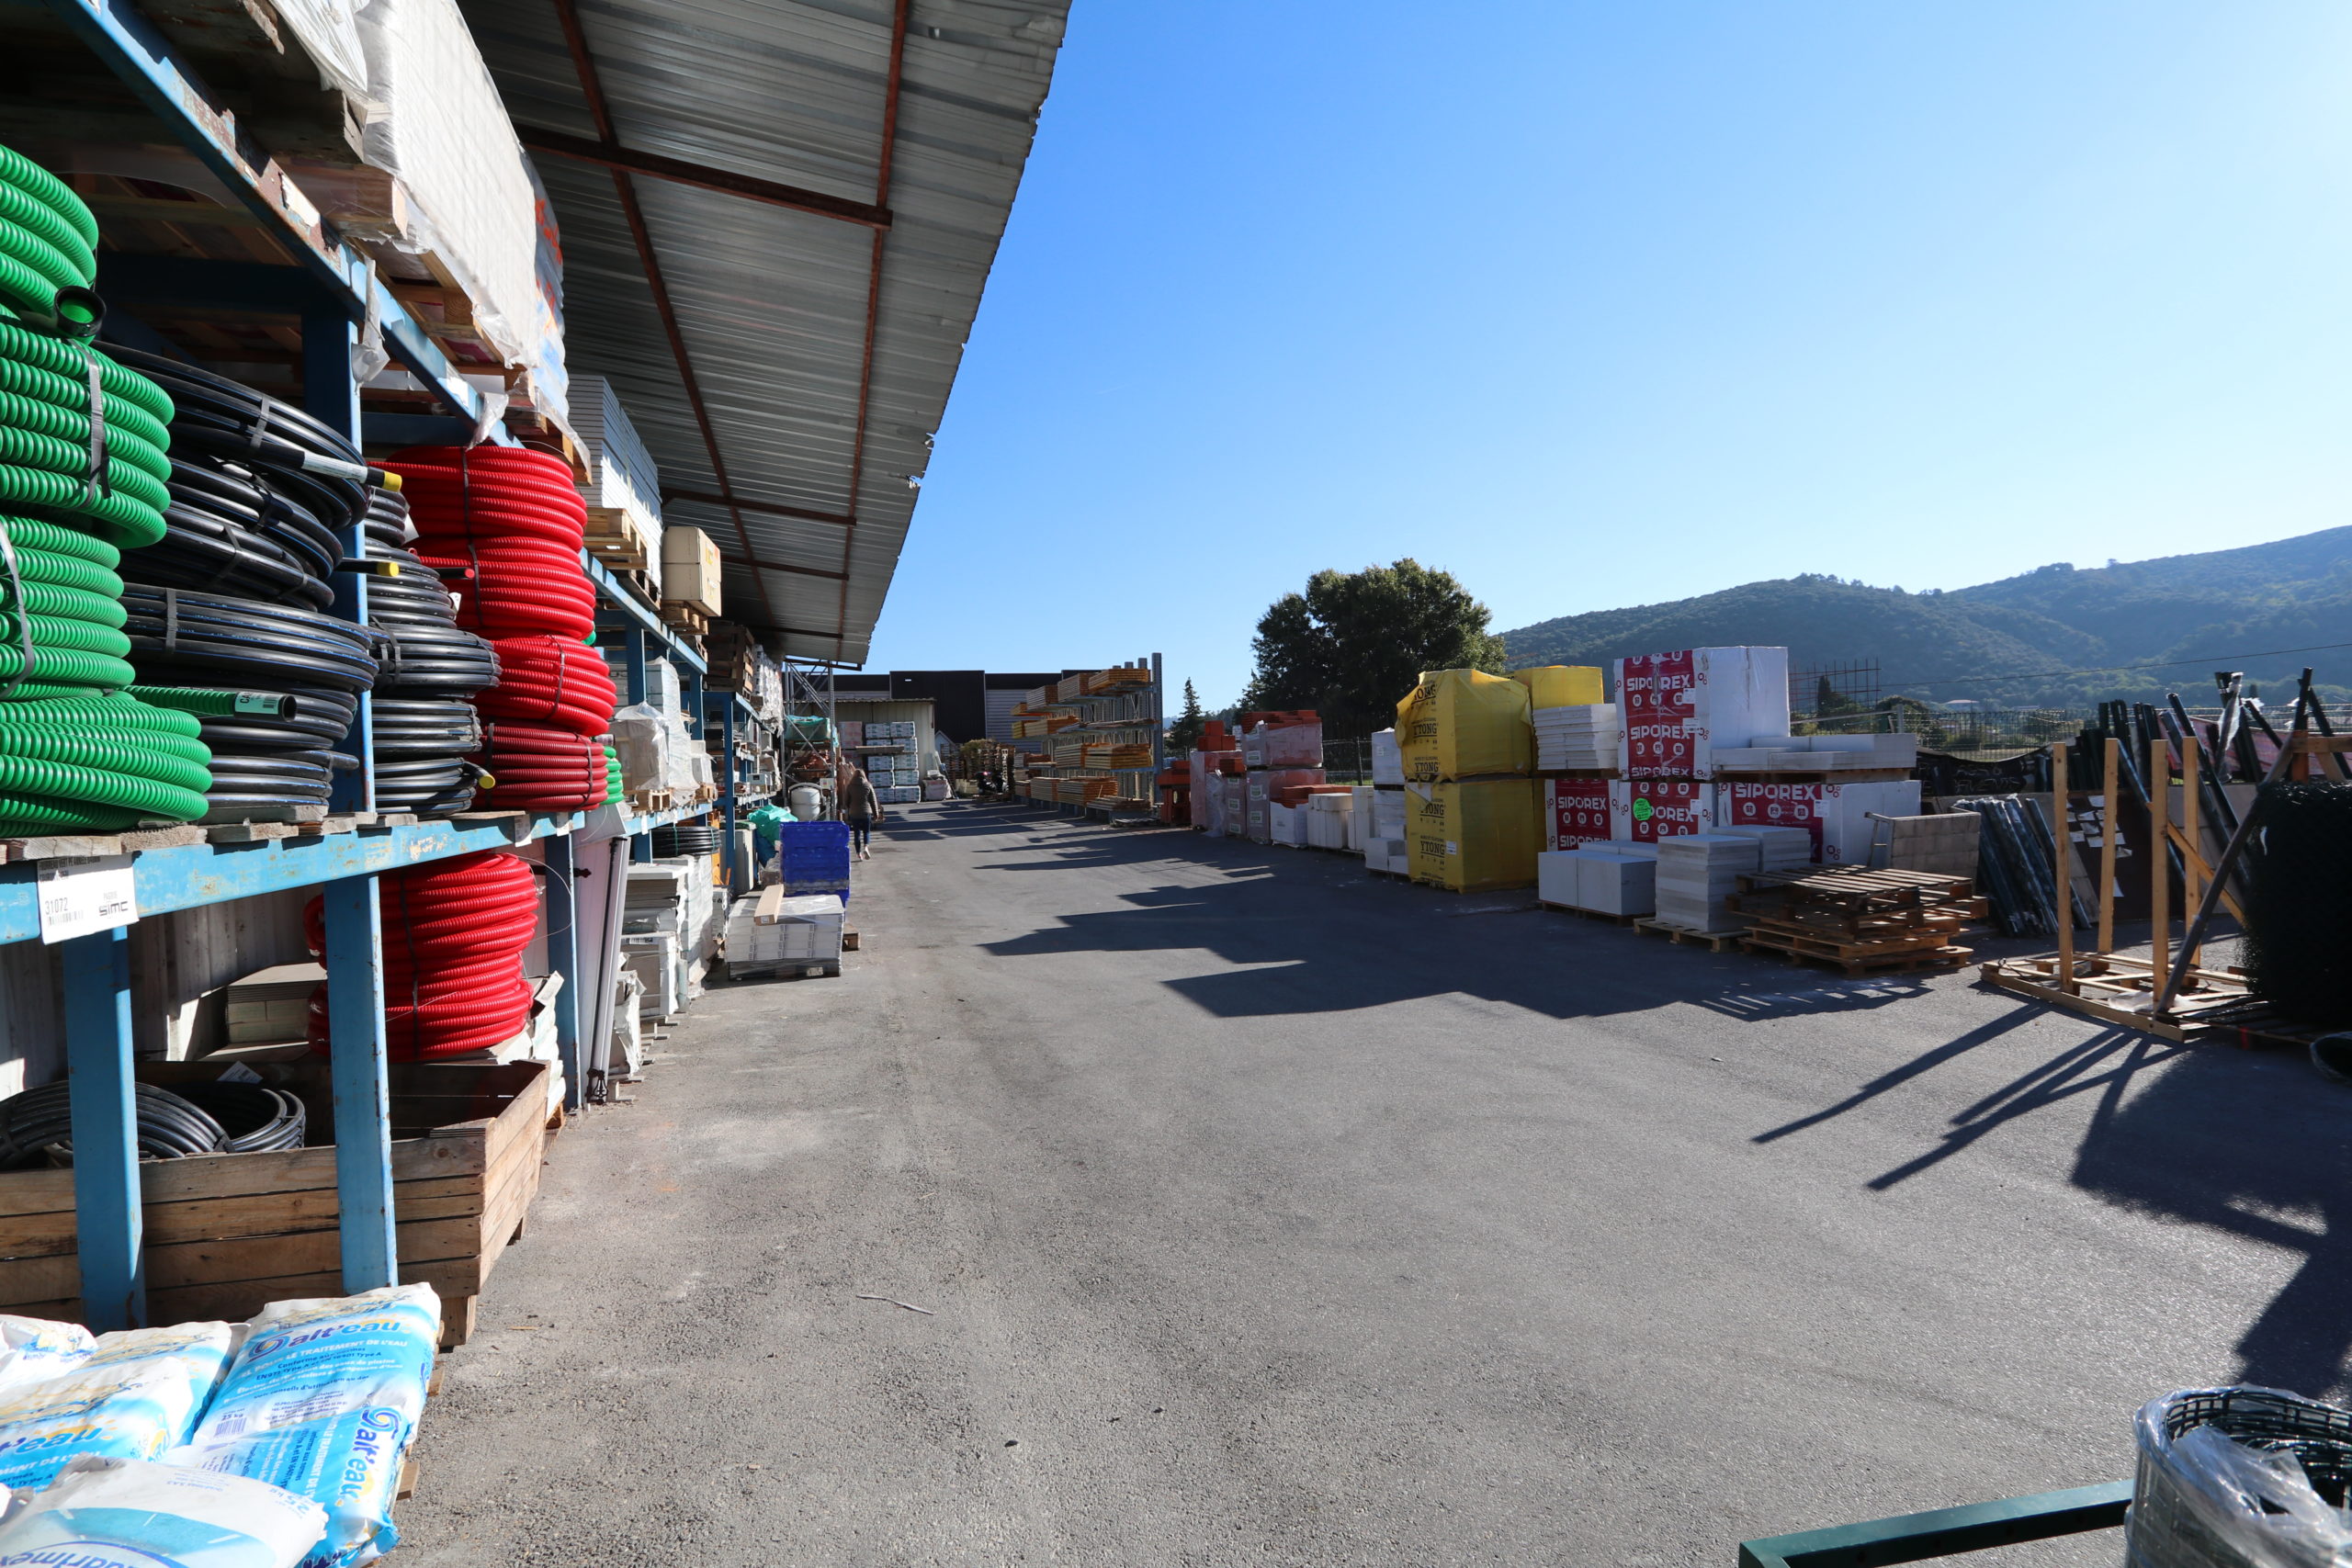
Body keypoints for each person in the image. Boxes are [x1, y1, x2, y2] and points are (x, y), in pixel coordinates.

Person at [842, 765, 882, 860]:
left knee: (856, 834)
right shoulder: (868, 785)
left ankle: (859, 854)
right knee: (866, 832)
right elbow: (873, 801)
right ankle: (866, 847)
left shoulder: (850, 786)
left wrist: (846, 809)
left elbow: (846, 801)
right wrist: (876, 814)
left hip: (854, 813)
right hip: (866, 813)